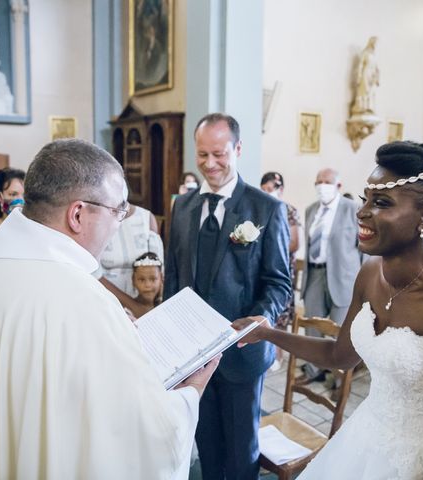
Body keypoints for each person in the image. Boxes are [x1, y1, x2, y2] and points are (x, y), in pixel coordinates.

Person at [234, 141, 423, 479]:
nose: (362, 211)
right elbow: (340, 355)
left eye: (381, 203)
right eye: (365, 197)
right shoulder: (369, 273)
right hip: (369, 435)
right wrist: (267, 333)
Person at [0, 139, 219, 479]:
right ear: (77, 214)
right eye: (118, 210)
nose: (120, 222)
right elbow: (144, 435)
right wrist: (191, 393)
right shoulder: (81, 299)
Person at [164, 113, 292, 479]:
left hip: (241, 353)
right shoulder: (183, 206)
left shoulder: (266, 208)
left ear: (237, 149)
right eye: (202, 155)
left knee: (240, 453)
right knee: (208, 448)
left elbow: (279, 282)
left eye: (219, 154)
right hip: (193, 356)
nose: (210, 164)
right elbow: (174, 276)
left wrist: (255, 324)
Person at [299, 168, 361, 384]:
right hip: (315, 273)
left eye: (327, 182)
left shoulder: (352, 209)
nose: (322, 186)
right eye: (318, 182)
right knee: (313, 326)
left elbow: (364, 248)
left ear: (338, 186)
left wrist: (362, 282)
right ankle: (314, 371)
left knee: (340, 330)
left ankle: (339, 381)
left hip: (344, 277)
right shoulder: (310, 210)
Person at [260, 171, 301, 369]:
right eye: (264, 189)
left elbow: (294, 244)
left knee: (281, 311)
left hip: (283, 269)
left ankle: (278, 356)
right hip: (261, 270)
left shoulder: (289, 210)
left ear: (281, 190)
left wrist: (269, 247)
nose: (268, 193)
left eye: (271, 189)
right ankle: (265, 352)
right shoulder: (258, 209)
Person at [96, 202, 164, 299]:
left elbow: (159, 268)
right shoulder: (96, 218)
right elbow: (94, 273)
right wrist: (134, 306)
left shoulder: (146, 217)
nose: (148, 284)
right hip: (106, 298)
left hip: (144, 298)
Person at [123, 251, 164, 320]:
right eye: (141, 280)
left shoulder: (167, 306)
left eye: (153, 279)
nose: (147, 285)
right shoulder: (127, 312)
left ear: (161, 278)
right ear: (133, 280)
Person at [351, 36, 379, 115]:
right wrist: (359, 77)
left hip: (372, 75)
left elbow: (377, 68)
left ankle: (369, 108)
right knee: (364, 90)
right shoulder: (365, 53)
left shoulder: (375, 55)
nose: (375, 45)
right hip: (366, 73)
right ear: (371, 43)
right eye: (375, 43)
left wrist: (377, 77)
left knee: (371, 92)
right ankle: (362, 107)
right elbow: (360, 65)